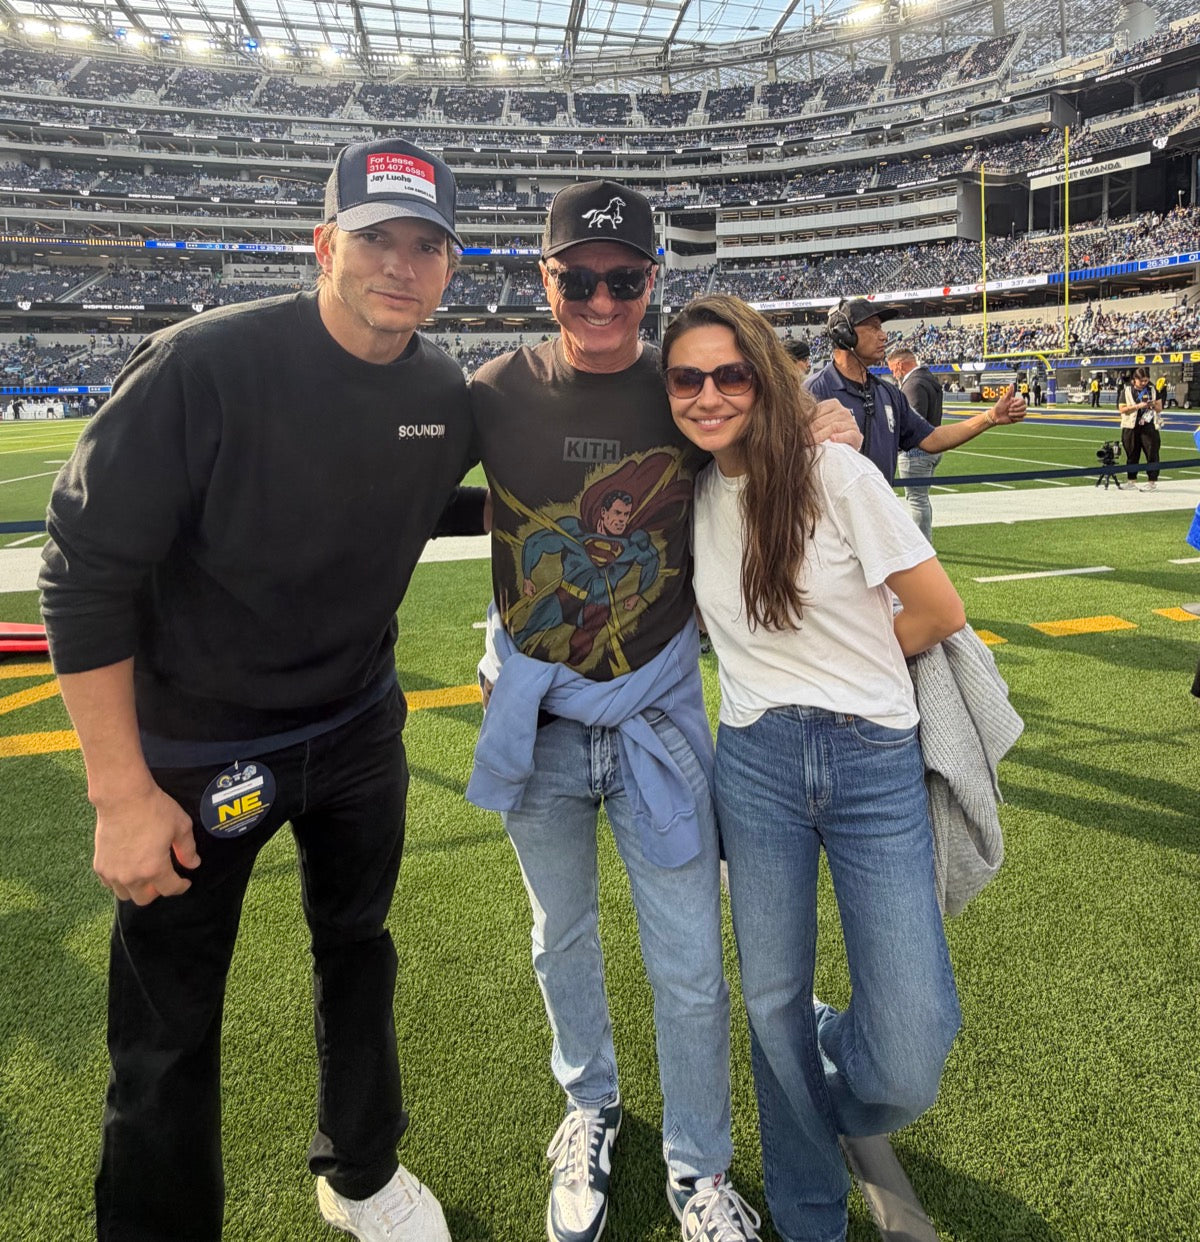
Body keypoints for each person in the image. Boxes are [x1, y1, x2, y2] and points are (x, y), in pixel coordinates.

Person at [38, 137, 482, 1242]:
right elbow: (82, 573)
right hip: (195, 750)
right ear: (324, 244)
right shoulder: (201, 365)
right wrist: (118, 792)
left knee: (358, 949)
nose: (401, 265)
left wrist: (801, 414)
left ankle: (362, 1172)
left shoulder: (441, 388)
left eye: (427, 245)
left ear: (451, 267)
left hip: (359, 729)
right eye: (376, 238)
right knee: (167, 1025)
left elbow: (468, 488)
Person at [467, 180, 859, 1242]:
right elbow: (396, 484)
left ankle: (699, 1167)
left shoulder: (685, 387)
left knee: (689, 962)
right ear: (545, 278)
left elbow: (777, 419)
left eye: (625, 280)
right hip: (541, 723)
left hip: (660, 723)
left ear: (653, 282)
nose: (602, 302)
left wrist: (826, 414)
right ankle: (588, 1106)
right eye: (579, 280)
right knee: (559, 938)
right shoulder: (495, 388)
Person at [660, 293, 964, 1242]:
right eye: (686, 379)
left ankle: (830, 1053)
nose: (709, 394)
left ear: (762, 375)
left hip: (872, 758)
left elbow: (937, 611)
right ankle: (807, 1213)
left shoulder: (836, 472)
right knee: (770, 1003)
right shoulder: (687, 497)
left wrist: (851, 671)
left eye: (730, 374)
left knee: (912, 1041)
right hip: (755, 765)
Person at [806, 298, 1026, 484]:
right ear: (844, 333)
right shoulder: (813, 392)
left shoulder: (888, 393)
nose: (884, 336)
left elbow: (932, 439)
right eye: (873, 327)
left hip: (879, 513)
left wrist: (990, 417)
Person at [886, 346, 943, 540]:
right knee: (921, 499)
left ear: (899, 365)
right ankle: (924, 539)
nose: (893, 374)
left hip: (917, 450)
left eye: (893, 369)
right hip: (932, 447)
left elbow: (913, 420)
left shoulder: (914, 384)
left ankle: (923, 542)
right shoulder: (928, 378)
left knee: (917, 500)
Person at [1119, 365, 1163, 491]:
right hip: (1131, 426)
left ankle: (1152, 482)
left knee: (1152, 453)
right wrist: (1137, 406)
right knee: (1132, 454)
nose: (1144, 383)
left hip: (1149, 426)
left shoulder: (1152, 390)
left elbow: (1159, 408)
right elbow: (1122, 409)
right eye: (1141, 381)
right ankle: (1131, 481)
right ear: (1134, 380)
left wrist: (1152, 405)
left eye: (1146, 380)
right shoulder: (1127, 391)